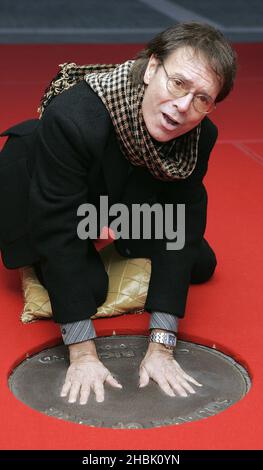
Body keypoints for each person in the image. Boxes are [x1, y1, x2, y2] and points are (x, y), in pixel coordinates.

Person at [0, 22, 236, 405]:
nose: (183, 107)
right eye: (178, 83)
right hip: (40, 188)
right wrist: (82, 353)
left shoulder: (198, 136)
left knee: (199, 262)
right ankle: (63, 255)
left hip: (113, 188)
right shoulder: (75, 116)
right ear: (151, 68)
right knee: (87, 290)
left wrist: (162, 344)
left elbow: (184, 222)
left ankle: (109, 235)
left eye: (202, 98)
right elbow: (58, 227)